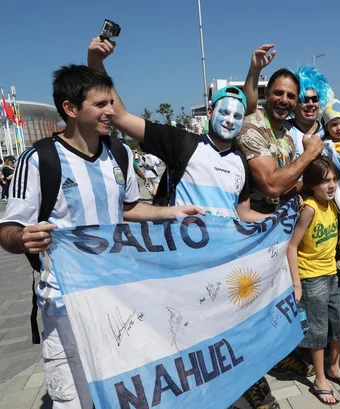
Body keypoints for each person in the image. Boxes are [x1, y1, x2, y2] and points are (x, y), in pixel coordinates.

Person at [88, 37, 280, 409]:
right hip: (181, 268)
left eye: (237, 115)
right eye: (224, 111)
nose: (230, 119)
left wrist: (278, 220)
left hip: (224, 266)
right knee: (184, 334)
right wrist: (97, 62)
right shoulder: (183, 143)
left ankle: (249, 384)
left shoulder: (241, 160)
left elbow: (240, 212)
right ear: (210, 111)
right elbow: (122, 116)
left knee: (235, 326)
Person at [0, 64, 202, 409]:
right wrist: (23, 239)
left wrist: (170, 212)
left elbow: (127, 208)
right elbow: (8, 231)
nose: (112, 111)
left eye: (111, 102)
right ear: (71, 109)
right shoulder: (38, 160)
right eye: (101, 104)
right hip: (65, 304)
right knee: (72, 397)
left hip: (118, 298)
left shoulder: (119, 154)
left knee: (124, 388)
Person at [287, 156, 340, 404]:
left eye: (334, 180)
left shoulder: (331, 207)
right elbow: (292, 246)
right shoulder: (308, 208)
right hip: (311, 277)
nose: (331, 186)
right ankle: (320, 379)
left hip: (331, 273)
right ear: (311, 184)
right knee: (318, 330)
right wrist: (297, 283)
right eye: (324, 181)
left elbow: (332, 234)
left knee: (337, 323)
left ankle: (335, 367)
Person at [239, 44, 324, 214]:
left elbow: (285, 187)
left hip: (276, 226)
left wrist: (321, 182)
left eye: (291, 96)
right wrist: (309, 154)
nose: (284, 100)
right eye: (278, 93)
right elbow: (271, 185)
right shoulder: (251, 127)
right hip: (249, 229)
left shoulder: (288, 138)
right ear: (267, 94)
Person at [287, 65, 331, 158]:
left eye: (315, 99)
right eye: (304, 99)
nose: (311, 104)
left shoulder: (329, 131)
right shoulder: (284, 131)